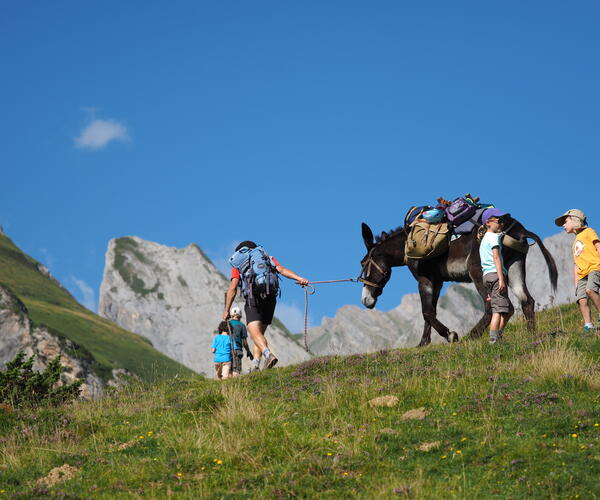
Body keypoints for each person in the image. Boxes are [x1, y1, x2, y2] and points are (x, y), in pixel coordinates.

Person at [223, 241, 309, 371]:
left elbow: (233, 288)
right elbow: (282, 270)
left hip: (254, 297)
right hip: (271, 296)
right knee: (260, 334)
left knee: (254, 332)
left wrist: (227, 309)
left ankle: (268, 355)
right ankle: (256, 365)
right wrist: (299, 278)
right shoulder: (266, 257)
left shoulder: (238, 262)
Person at [555, 209, 600, 332]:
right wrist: (576, 283)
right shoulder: (575, 241)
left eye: (565, 222)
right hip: (582, 274)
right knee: (581, 300)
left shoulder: (589, 232)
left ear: (575, 220)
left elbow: (598, 246)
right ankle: (588, 325)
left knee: (590, 290)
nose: (563, 225)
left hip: (594, 268)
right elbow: (576, 263)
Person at [479, 208, 514, 344]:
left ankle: (498, 336)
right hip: (495, 275)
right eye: (499, 220)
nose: (502, 223)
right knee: (497, 311)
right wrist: (501, 279)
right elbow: (496, 258)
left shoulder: (483, 240)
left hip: (487, 276)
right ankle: (493, 342)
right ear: (488, 222)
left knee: (509, 310)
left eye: (503, 221)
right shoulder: (493, 237)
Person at [228, 306, 253, 376]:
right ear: (240, 316)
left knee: (228, 370)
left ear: (231, 315)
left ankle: (226, 386)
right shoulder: (242, 326)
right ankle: (235, 386)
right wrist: (248, 351)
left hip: (227, 350)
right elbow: (244, 342)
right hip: (238, 350)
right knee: (236, 370)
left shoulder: (227, 323)